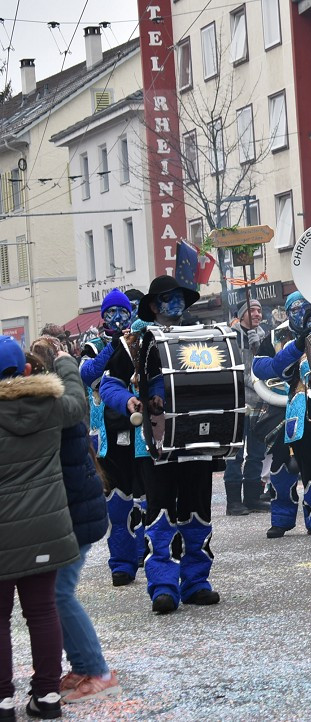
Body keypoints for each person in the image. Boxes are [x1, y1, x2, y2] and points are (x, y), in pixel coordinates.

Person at [100, 275, 221, 613]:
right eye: (168, 298)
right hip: (156, 440)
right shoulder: (136, 342)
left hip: (197, 435)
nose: (176, 304)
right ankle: (163, 585)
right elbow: (109, 385)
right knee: (161, 510)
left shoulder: (202, 338)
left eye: (180, 297)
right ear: (154, 306)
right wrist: (129, 402)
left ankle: (196, 581)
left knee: (198, 510)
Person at [26, 341, 119, 703]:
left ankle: (98, 671)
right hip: (75, 511)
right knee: (55, 593)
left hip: (76, 513)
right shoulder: (57, 400)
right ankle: (83, 664)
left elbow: (77, 395)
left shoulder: (55, 406)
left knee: (58, 593)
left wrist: (67, 361)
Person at [0, 335, 83, 719]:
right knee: (43, 611)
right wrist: (65, 361)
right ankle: (47, 696)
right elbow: (79, 403)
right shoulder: (49, 405)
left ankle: (2, 700)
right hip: (46, 527)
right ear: (28, 369)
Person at [79, 289, 148, 587]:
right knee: (117, 503)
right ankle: (121, 564)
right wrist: (118, 345)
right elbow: (91, 376)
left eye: (123, 311)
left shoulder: (142, 340)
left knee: (145, 496)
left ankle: (146, 551)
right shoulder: (93, 346)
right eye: (111, 313)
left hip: (141, 432)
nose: (118, 317)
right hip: (108, 435)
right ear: (103, 316)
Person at [253, 291, 311, 540]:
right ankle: (281, 519)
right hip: (283, 408)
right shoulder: (275, 336)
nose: (300, 313)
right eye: (295, 308)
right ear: (287, 312)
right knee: (280, 467)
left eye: (305, 308)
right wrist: (283, 363)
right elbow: (259, 366)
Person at [223, 298, 272, 516]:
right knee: (234, 452)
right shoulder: (229, 337)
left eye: (259, 310)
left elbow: (271, 366)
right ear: (241, 315)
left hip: (260, 402)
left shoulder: (265, 336)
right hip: (236, 402)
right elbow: (232, 370)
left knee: (257, 453)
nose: (256, 314)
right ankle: (233, 501)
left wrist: (260, 347)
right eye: (251, 310)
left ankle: (252, 497)